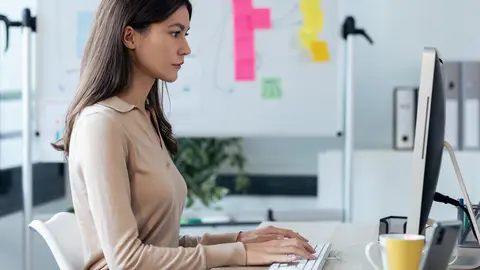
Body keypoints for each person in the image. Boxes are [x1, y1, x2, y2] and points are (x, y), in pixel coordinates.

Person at [52, 0, 316, 269]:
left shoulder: (143, 117)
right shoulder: (102, 125)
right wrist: (241, 254)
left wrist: (242, 240)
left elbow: (161, 247)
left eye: (185, 34)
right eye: (175, 33)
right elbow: (127, 261)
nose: (186, 48)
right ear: (130, 37)